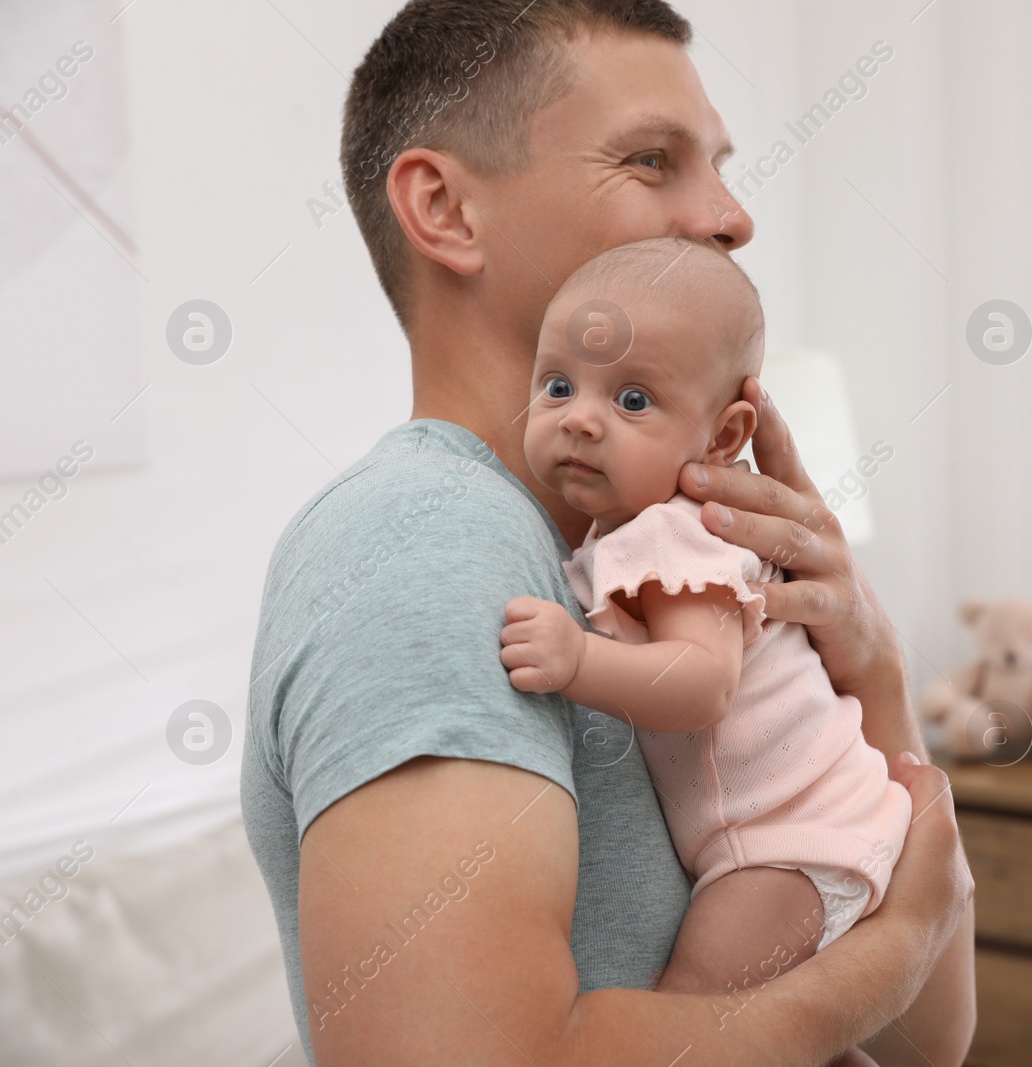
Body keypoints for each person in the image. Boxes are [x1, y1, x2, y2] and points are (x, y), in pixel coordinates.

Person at [239, 2, 975, 1066]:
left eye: (718, 165)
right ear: (446, 209)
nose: (729, 214)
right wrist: (896, 946)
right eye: (650, 159)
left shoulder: (664, 551)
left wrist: (876, 678)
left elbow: (928, 1046)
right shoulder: (424, 542)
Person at [500, 236, 911, 1066]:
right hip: (795, 835)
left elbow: (703, 682)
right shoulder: (629, 533)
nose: (580, 416)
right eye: (557, 385)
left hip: (798, 840)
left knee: (689, 1023)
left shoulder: (674, 538)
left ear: (723, 440)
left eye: (635, 399)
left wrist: (579, 665)